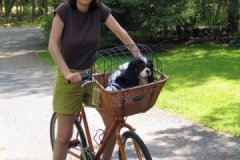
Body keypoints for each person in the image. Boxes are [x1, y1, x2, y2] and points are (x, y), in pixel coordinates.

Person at [48, 0, 142, 159]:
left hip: (93, 76)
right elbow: (52, 45)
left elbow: (121, 32)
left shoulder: (99, 9)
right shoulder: (64, 10)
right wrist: (67, 73)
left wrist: (140, 59)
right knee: (64, 136)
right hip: (69, 78)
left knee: (112, 122)